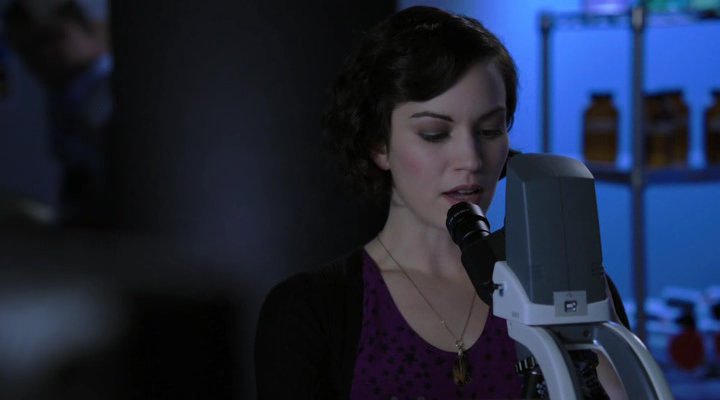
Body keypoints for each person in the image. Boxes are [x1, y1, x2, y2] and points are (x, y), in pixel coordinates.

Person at [255, 6, 629, 399]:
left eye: (489, 130)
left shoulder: (569, 292)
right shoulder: (309, 311)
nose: (471, 159)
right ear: (379, 144)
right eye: (434, 133)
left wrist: (595, 334)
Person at [3, 0, 113, 227]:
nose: (40, 57)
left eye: (49, 39)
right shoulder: (63, 95)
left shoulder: (110, 87)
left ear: (86, 29)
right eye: (25, 51)